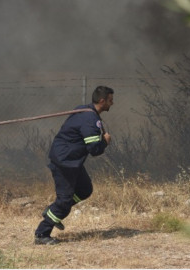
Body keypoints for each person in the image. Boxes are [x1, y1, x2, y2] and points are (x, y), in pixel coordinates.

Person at [34, 86, 114, 245]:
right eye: (110, 101)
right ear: (102, 101)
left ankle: (52, 211)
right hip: (65, 162)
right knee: (64, 201)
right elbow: (94, 149)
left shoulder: (84, 110)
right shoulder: (90, 120)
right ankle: (42, 234)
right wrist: (105, 141)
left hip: (72, 160)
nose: (113, 104)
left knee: (85, 189)